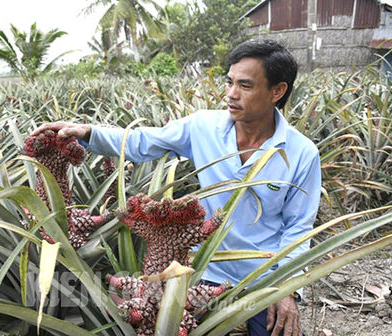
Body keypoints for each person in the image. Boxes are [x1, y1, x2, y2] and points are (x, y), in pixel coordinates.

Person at [32, 39, 321, 336]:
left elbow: (297, 227)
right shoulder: (203, 127)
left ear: (278, 90)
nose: (231, 95)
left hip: (262, 279)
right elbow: (142, 143)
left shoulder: (302, 153)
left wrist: (287, 288)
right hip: (204, 271)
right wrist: (87, 132)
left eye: (245, 86)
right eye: (230, 82)